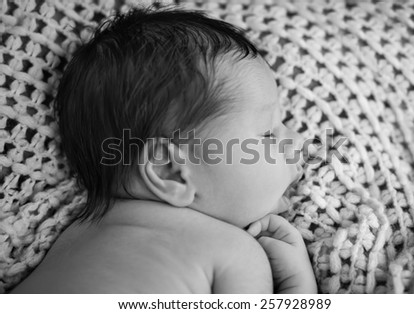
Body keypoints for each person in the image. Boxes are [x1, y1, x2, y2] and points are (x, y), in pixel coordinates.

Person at [11, 5, 317, 293]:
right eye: (267, 133)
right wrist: (298, 285)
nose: (299, 141)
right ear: (170, 172)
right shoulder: (232, 251)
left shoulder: (70, 240)